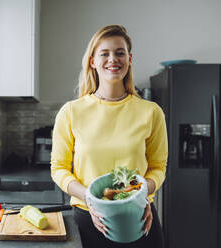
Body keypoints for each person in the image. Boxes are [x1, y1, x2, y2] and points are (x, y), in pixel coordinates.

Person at [50, 25, 168, 248]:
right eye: (104, 53)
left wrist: (140, 195)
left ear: (129, 59)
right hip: (88, 219)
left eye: (120, 52)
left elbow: (158, 167)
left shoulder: (151, 112)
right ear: (93, 61)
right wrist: (91, 198)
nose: (113, 59)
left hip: (140, 218)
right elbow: (59, 168)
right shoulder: (71, 112)